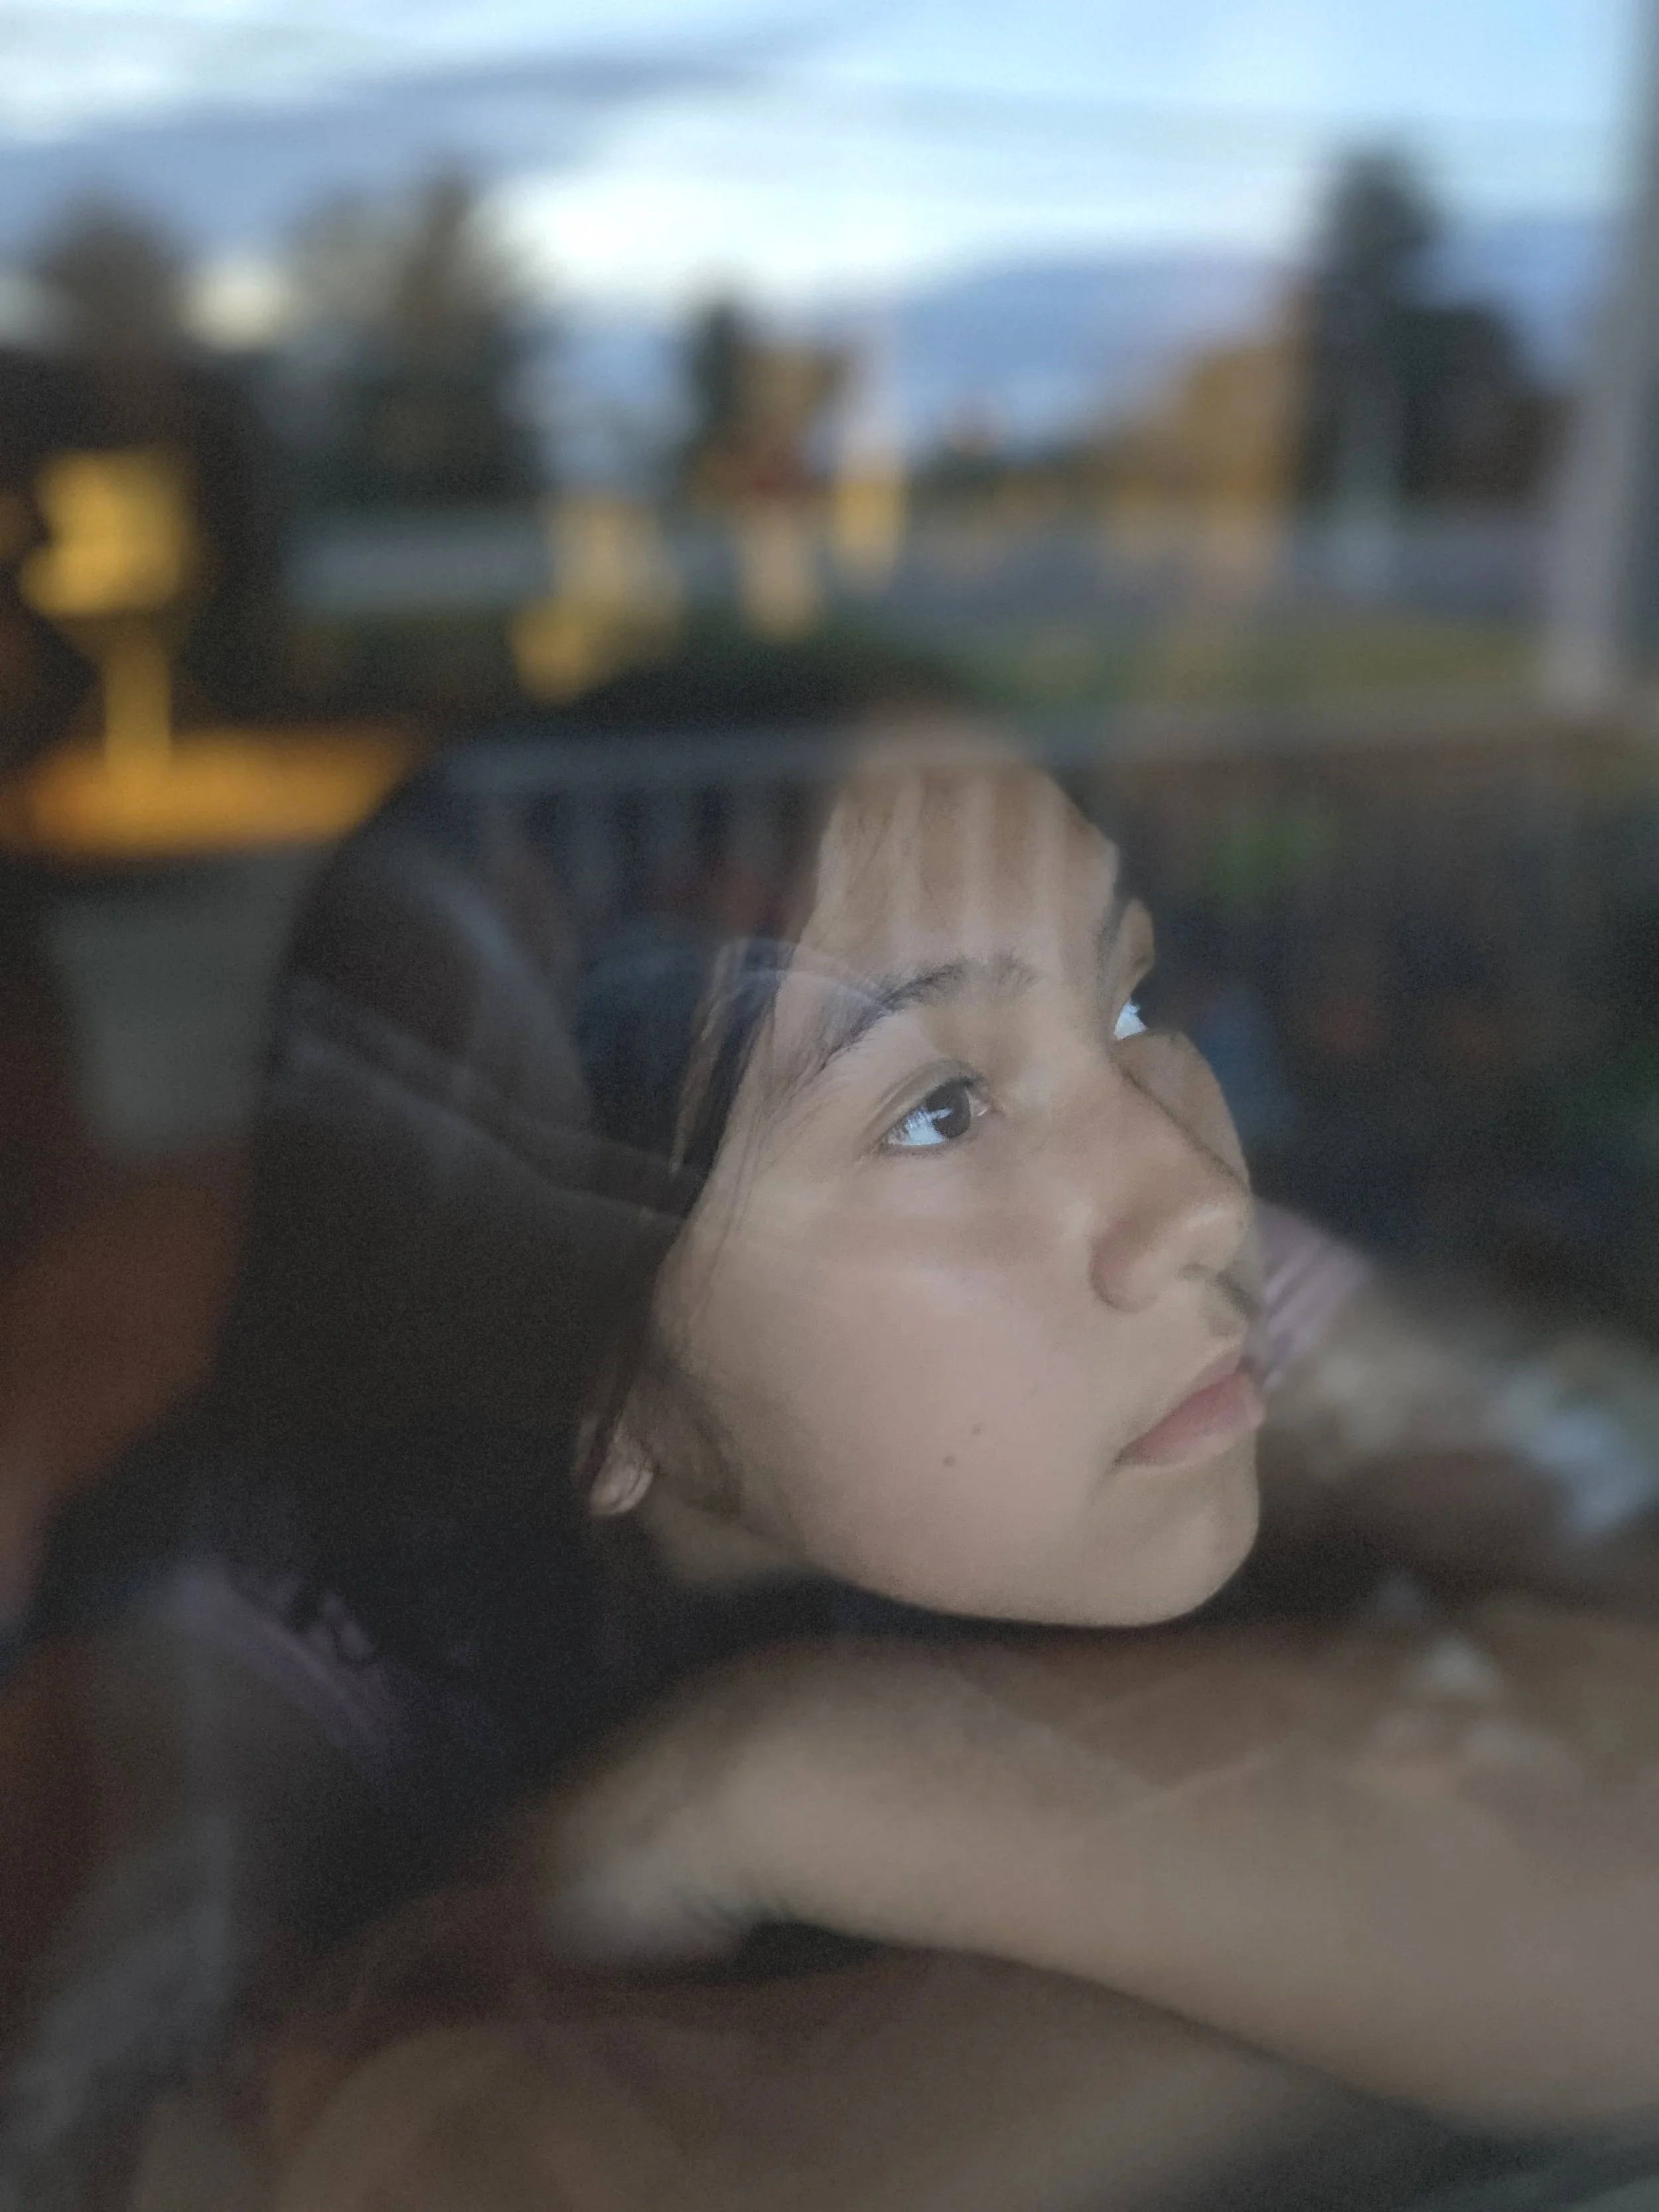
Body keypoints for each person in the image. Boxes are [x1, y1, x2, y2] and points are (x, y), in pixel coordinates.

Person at [5, 721, 1659, 2209]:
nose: (1191, 1195)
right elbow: (306, 2151)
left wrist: (797, 1769)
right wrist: (1389, 1952)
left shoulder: (1230, 1317)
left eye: (1132, 998)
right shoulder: (263, 1657)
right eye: (938, 1111)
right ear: (605, 1395)